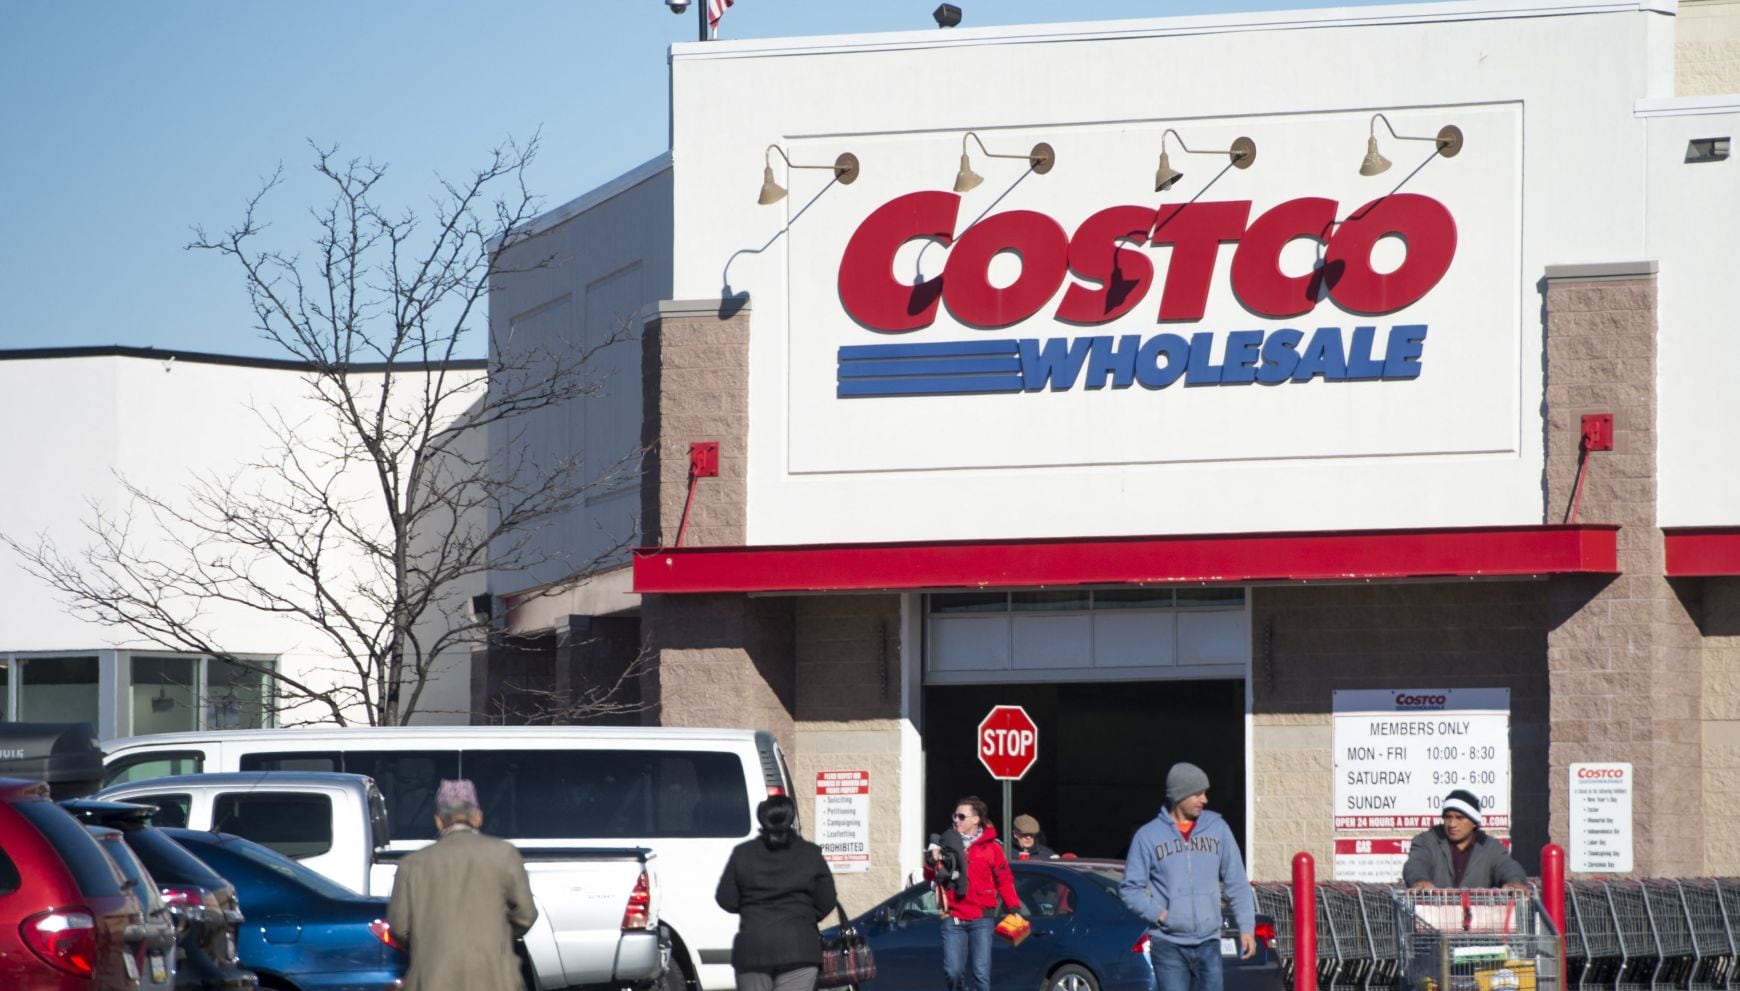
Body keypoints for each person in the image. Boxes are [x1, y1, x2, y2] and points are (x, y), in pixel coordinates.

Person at [386, 779, 538, 991]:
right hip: (495, 979)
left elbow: (400, 928)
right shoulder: (505, 854)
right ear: (478, 818)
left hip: (432, 980)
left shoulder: (411, 864)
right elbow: (526, 915)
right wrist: (495, 935)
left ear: (439, 821)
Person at [1120, 762, 1256, 991]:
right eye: (1197, 794)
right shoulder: (1148, 836)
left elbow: (1237, 882)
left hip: (1209, 942)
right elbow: (1130, 889)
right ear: (1178, 795)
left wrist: (1247, 927)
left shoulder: (1218, 828)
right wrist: (1161, 914)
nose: (1205, 799)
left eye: (1205, 793)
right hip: (1168, 944)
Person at [715, 795, 838, 991]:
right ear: (791, 819)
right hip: (800, 948)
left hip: (753, 948)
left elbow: (725, 898)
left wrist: (750, 909)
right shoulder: (810, 854)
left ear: (761, 818)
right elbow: (828, 899)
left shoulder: (742, 854)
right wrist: (804, 916)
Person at [927, 795, 1020, 991]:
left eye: (961, 816)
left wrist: (1014, 907)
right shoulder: (946, 844)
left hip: (981, 918)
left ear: (976, 819)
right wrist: (931, 859)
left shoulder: (992, 848)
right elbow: (931, 876)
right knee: (953, 972)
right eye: (955, 816)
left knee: (981, 975)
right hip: (953, 916)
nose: (956, 820)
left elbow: (1004, 880)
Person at [1403, 790, 1528, 890]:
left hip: (1480, 919)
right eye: (1447, 817)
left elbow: (1507, 866)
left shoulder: (1490, 847)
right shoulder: (1428, 841)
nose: (1452, 824)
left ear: (1474, 822)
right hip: (1433, 917)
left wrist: (1514, 882)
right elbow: (1416, 864)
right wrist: (1419, 881)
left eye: (1460, 818)